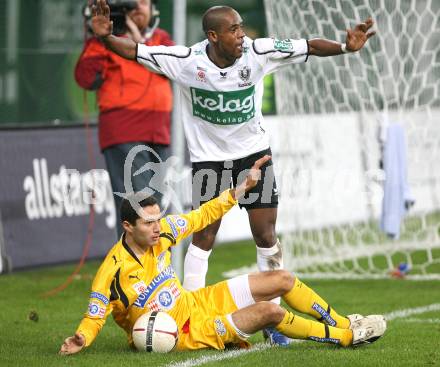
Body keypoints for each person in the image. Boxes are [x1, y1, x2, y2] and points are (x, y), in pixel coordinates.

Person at [88, 0, 376, 344]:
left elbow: (309, 46)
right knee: (204, 236)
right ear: (213, 36)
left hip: (255, 156)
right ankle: (189, 312)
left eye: (241, 27)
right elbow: (137, 51)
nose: (242, 35)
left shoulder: (259, 52)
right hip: (209, 161)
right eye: (234, 30)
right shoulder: (185, 62)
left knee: (266, 235)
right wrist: (106, 38)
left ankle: (272, 323)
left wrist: (346, 47)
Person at [59, 155, 386, 355]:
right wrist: (82, 338)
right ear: (128, 226)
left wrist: (239, 191)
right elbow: (95, 315)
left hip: (197, 304)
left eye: (158, 219)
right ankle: (345, 338)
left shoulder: (164, 233)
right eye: (148, 223)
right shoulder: (112, 271)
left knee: (283, 279)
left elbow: (202, 215)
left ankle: (344, 320)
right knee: (268, 314)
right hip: (184, 333)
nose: (157, 227)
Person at [75, 0, 174, 237]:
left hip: (159, 130)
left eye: (142, 2)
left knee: (156, 205)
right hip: (124, 129)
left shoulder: (160, 38)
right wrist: (102, 38)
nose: (137, 8)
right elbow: (85, 78)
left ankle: (150, 269)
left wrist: (139, 39)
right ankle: (133, 269)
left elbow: (172, 67)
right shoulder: (105, 40)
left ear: (153, 8)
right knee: (139, 206)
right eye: (131, 3)